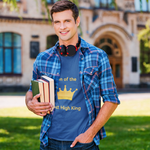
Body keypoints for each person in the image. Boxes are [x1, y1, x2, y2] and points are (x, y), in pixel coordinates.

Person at [25, 0, 120, 150]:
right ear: (53, 24)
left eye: (67, 21)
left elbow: (112, 100)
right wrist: (30, 103)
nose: (62, 27)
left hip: (84, 143)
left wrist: (90, 134)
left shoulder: (98, 56)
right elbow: (31, 91)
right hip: (49, 142)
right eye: (57, 22)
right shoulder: (42, 59)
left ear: (77, 21)